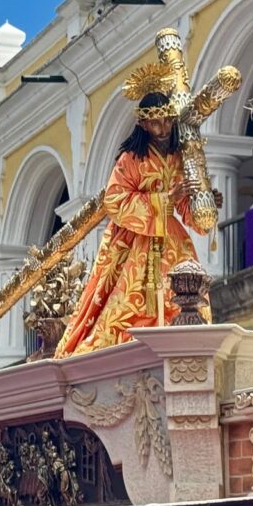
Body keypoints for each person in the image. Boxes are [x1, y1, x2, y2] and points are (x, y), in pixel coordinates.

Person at [55, 83, 220, 357]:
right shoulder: (130, 159)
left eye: (167, 121)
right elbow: (115, 199)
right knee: (127, 300)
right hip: (133, 241)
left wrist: (203, 204)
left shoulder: (178, 157)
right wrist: (164, 199)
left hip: (172, 239)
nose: (163, 129)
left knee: (181, 291)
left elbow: (184, 206)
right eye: (155, 123)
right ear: (143, 124)